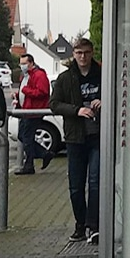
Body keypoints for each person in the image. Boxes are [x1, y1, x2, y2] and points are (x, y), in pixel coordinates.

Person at [50, 37, 104, 243]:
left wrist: (104, 100)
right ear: (73, 54)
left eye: (86, 53)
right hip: (75, 138)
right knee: (76, 184)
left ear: (92, 53)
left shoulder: (102, 75)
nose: (83, 57)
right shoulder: (65, 78)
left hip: (97, 135)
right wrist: (76, 110)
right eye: (79, 53)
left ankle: (94, 225)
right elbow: (54, 104)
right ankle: (80, 224)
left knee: (95, 181)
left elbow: (118, 94)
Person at [13, 53, 52, 175]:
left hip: (34, 111)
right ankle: (44, 154)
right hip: (26, 111)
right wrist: (18, 96)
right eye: (21, 63)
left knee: (27, 137)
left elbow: (42, 92)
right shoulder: (26, 76)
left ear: (31, 63)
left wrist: (25, 91)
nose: (22, 66)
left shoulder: (39, 75)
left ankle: (30, 164)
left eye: (24, 63)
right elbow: (24, 91)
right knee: (23, 136)